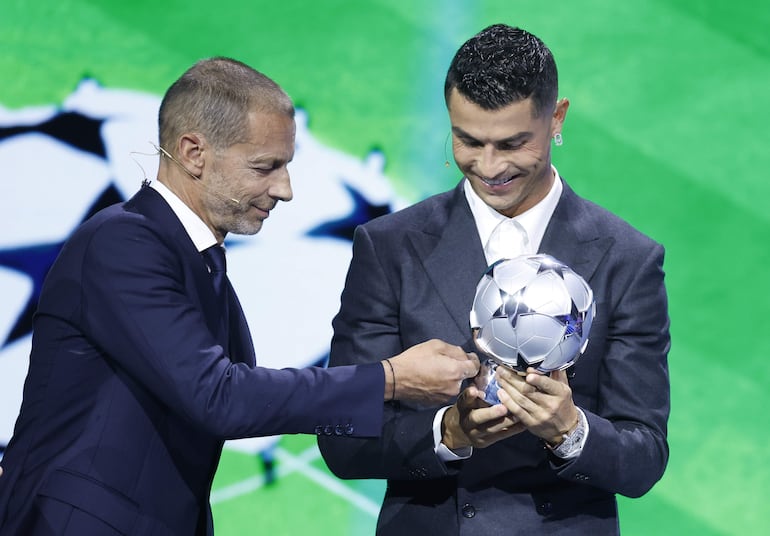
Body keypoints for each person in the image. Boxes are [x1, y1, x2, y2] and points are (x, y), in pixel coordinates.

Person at [0, 57, 480, 535]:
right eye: (265, 167)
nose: (285, 189)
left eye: (286, 166)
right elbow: (220, 397)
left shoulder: (201, 262)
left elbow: (241, 401)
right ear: (193, 153)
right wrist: (389, 378)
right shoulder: (124, 243)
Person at [318, 24, 670, 534]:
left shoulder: (628, 258)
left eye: (511, 143)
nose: (488, 167)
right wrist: (450, 431)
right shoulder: (388, 246)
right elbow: (343, 440)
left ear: (557, 119)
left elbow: (645, 457)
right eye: (467, 140)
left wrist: (570, 431)